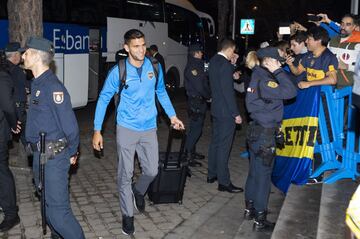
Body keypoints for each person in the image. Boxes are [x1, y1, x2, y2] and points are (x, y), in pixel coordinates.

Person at [92, 29, 184, 235]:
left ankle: (138, 191)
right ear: (126, 48)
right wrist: (97, 130)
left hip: (149, 127)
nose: (141, 50)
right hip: (126, 128)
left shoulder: (155, 66)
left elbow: (161, 91)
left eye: (143, 45)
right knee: (125, 174)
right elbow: (104, 99)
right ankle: (127, 215)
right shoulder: (119, 71)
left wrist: (172, 116)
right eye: (136, 46)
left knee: (152, 170)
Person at [22, 36, 85, 239]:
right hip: (40, 157)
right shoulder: (37, 83)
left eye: (26, 52)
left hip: (54, 158)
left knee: (59, 214)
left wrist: (72, 152)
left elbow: (71, 128)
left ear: (36, 56)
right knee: (47, 208)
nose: (23, 56)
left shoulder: (53, 87)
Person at [244, 47, 297, 232]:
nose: (280, 64)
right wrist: (278, 71)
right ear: (269, 61)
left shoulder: (255, 76)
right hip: (265, 133)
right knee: (263, 177)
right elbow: (291, 91)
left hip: (255, 130)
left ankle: (249, 209)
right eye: (278, 61)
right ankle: (260, 218)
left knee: (254, 173)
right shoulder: (266, 80)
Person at [207, 38, 243, 193]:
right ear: (230, 49)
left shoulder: (214, 60)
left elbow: (219, 81)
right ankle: (224, 181)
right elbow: (228, 92)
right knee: (224, 147)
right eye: (233, 51)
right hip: (226, 112)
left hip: (216, 109)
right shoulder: (225, 65)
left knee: (215, 142)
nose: (234, 54)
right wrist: (236, 114)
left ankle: (212, 174)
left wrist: (232, 65)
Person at [0, 50, 21, 232]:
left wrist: (14, 125)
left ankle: (11, 213)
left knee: (1, 172)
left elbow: (8, 105)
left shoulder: (3, 77)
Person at [183, 43, 211, 167]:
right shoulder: (193, 67)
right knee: (196, 130)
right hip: (196, 101)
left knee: (195, 128)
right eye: (200, 52)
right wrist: (209, 96)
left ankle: (191, 152)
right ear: (195, 53)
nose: (202, 53)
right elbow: (200, 86)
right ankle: (187, 155)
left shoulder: (198, 64)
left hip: (198, 101)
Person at [5, 42, 28, 147]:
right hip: (17, 109)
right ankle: (33, 158)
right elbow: (29, 85)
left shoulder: (3, 68)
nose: (21, 56)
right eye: (20, 54)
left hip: (6, 109)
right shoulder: (18, 71)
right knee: (27, 135)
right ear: (14, 55)